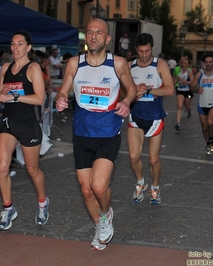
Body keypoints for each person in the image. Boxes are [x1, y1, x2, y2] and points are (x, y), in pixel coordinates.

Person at [56, 18, 137, 251]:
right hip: (81, 133)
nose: (93, 36)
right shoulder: (74, 63)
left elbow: (131, 88)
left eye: (98, 32)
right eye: (89, 32)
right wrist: (61, 98)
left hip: (107, 132)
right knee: (85, 189)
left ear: (108, 38)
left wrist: (127, 101)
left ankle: (105, 214)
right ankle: (100, 226)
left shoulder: (118, 64)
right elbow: (63, 90)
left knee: (99, 187)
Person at [0, 30, 49, 231]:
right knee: (2, 167)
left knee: (32, 169)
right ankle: (8, 208)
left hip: (28, 123)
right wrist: (2, 94)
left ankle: (43, 202)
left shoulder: (33, 68)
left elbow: (39, 98)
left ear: (28, 47)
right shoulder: (5, 68)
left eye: (19, 44)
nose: (15, 48)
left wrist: (15, 97)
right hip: (9, 122)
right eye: (12, 44)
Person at [127, 33, 174, 206]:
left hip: (155, 117)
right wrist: (133, 92)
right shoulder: (129, 66)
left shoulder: (160, 65)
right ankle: (141, 183)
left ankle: (155, 187)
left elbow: (169, 90)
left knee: (153, 159)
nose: (144, 55)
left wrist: (147, 90)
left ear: (152, 48)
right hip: (135, 116)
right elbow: (121, 91)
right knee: (133, 156)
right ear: (136, 50)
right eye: (141, 51)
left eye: (147, 51)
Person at [191, 53, 213, 155]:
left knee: (210, 122)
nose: (208, 64)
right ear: (203, 63)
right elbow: (191, 88)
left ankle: (211, 138)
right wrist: (197, 90)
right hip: (202, 104)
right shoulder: (199, 74)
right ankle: (208, 143)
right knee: (204, 127)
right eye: (206, 62)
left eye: (210, 62)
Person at [174, 57, 194, 131]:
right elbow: (176, 80)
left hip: (188, 92)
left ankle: (189, 110)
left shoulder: (189, 71)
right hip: (180, 90)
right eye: (182, 63)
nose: (183, 64)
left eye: (185, 63)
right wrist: (174, 81)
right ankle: (178, 123)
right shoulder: (180, 71)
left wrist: (183, 81)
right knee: (179, 106)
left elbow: (191, 82)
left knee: (187, 105)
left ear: (188, 64)